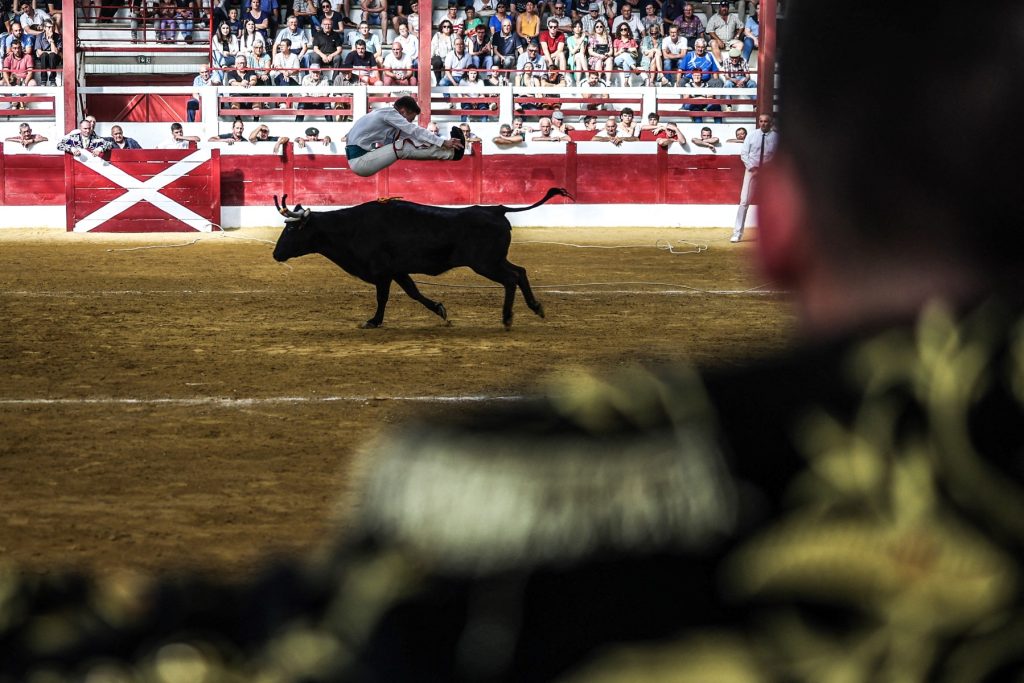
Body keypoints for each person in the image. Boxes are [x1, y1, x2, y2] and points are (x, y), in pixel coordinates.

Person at [343, 95, 464, 177]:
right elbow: (413, 130)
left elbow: (416, 135)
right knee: (402, 146)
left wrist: (444, 141)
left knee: (407, 141)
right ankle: (451, 154)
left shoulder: (381, 114)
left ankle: (450, 151)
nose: (409, 123)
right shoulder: (390, 113)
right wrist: (443, 142)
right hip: (361, 161)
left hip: (360, 160)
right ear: (403, 111)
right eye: (410, 119)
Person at [731, 111, 776, 242]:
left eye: (766, 121)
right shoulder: (751, 135)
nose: (763, 123)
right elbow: (744, 154)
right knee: (744, 201)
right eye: (761, 121)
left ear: (770, 122)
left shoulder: (776, 137)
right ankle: (737, 233)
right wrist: (752, 167)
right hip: (751, 171)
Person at [704, 0, 740, 64]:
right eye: (723, 7)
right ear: (719, 7)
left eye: (726, 7)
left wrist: (737, 35)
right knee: (713, 43)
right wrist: (719, 40)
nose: (724, 8)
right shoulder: (714, 18)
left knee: (740, 44)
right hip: (717, 41)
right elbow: (710, 31)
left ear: (728, 8)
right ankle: (721, 62)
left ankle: (732, 60)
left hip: (730, 41)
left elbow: (741, 26)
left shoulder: (733, 17)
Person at [32, 18, 60, 86]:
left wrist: (51, 40)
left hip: (54, 59)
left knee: (52, 55)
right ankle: (43, 80)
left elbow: (55, 52)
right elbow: (39, 53)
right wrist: (49, 52)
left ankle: (52, 80)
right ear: (44, 28)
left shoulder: (58, 36)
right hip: (43, 58)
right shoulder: (39, 36)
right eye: (49, 27)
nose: (51, 29)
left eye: (53, 27)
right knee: (44, 55)